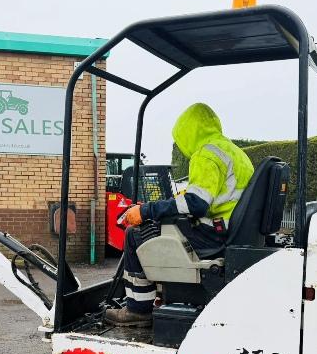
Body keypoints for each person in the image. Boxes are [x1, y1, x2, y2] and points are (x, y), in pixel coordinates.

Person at [105, 102, 255, 326]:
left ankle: (138, 309)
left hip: (212, 234)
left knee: (135, 234)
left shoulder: (206, 153)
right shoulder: (235, 153)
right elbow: (215, 195)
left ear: (188, 131)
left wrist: (146, 210)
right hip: (231, 230)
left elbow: (197, 204)